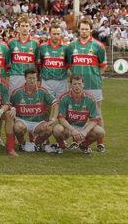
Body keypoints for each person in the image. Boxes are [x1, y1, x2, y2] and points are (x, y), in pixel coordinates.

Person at [66, 18, 107, 152]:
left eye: (86, 29)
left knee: (97, 114)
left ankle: (100, 143)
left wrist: (96, 76)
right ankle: (76, 141)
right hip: (76, 86)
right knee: (75, 113)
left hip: (93, 85)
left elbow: (103, 65)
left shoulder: (98, 46)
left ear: (90, 30)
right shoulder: (71, 46)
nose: (84, 31)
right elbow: (68, 65)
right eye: (82, 29)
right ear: (78, 30)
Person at [52, 74, 105, 155]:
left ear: (83, 84)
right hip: (68, 127)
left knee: (100, 131)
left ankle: (84, 145)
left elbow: (94, 120)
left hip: (83, 126)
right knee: (57, 129)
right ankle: (61, 146)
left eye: (79, 84)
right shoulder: (64, 98)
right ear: (70, 85)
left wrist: (85, 131)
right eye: (74, 84)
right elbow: (61, 118)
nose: (77, 86)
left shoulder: (90, 99)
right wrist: (72, 130)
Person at [10, 68, 58, 152]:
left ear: (37, 79)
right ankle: (22, 144)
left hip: (38, 123)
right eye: (29, 78)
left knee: (49, 129)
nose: (32, 80)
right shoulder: (17, 92)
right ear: (25, 78)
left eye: (34, 78)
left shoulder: (42, 91)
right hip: (22, 121)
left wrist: (53, 119)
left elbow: (55, 104)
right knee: (18, 128)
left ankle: (35, 144)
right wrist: (12, 108)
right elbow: (8, 104)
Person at [8, 16, 39, 93]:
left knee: (30, 98)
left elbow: (37, 62)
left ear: (30, 28)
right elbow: (8, 60)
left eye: (26, 26)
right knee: (14, 98)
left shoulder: (35, 43)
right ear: (18, 28)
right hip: (15, 75)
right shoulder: (11, 42)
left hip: (30, 76)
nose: (25, 28)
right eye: (22, 26)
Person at [37, 23, 69, 99]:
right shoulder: (42, 46)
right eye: (54, 34)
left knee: (61, 105)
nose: (56, 36)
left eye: (58, 34)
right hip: (46, 81)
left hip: (62, 81)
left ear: (61, 34)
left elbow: (68, 64)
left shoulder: (66, 47)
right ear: (49, 34)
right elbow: (39, 64)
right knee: (46, 106)